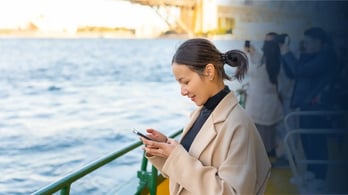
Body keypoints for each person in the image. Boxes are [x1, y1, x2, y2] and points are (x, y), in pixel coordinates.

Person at [140, 38, 271, 195]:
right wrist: (165, 149)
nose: (182, 91)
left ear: (209, 71)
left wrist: (176, 156)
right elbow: (187, 172)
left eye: (186, 82)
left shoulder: (238, 124)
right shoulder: (201, 113)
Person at [280, 27, 338, 191]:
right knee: (306, 140)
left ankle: (320, 177)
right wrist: (298, 54)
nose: (307, 44)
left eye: (310, 41)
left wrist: (287, 53)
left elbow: (300, 70)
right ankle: (312, 172)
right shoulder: (313, 56)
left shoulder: (326, 57)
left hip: (317, 106)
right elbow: (295, 73)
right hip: (306, 104)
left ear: (321, 42)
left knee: (316, 141)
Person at [244, 32, 284, 160]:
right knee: (269, 135)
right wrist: (253, 53)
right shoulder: (278, 62)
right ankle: (270, 156)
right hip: (272, 104)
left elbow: (249, 69)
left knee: (257, 137)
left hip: (257, 105)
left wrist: (246, 53)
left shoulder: (263, 66)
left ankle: (261, 163)